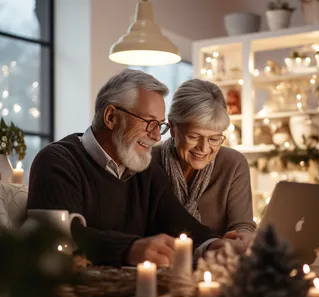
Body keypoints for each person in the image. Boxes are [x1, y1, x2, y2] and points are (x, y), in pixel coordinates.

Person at [27, 70, 236, 268]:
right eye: (149, 122)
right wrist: (129, 249)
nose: (156, 136)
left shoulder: (146, 171)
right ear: (111, 117)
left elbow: (178, 222)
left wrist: (212, 244)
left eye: (160, 125)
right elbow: (62, 236)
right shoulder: (56, 161)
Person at [153, 79, 256, 251]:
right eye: (193, 137)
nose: (204, 148)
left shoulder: (233, 164)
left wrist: (242, 238)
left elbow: (243, 225)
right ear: (172, 127)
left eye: (214, 138)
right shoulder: (148, 163)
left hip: (215, 266)